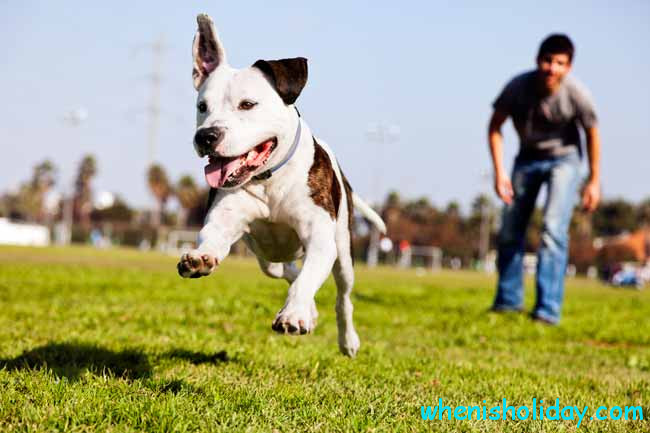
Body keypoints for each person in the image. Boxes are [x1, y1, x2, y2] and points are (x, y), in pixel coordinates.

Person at [488, 34, 601, 324]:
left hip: (565, 160)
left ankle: (547, 310)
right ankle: (508, 302)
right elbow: (495, 127)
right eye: (548, 61)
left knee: (552, 228)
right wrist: (500, 172)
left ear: (569, 67)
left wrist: (593, 180)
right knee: (511, 228)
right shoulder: (518, 87)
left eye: (560, 63)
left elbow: (592, 134)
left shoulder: (577, 94)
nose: (552, 68)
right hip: (527, 158)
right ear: (538, 60)